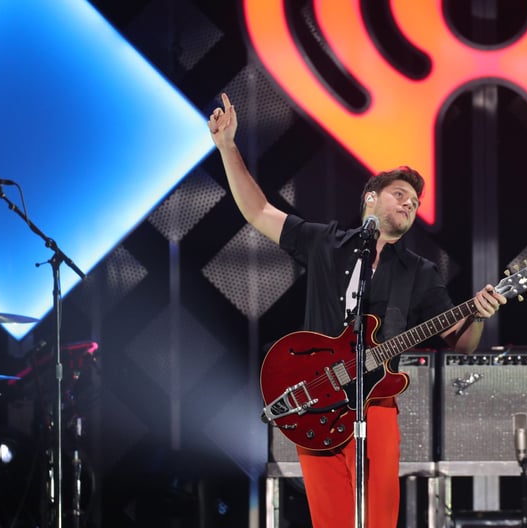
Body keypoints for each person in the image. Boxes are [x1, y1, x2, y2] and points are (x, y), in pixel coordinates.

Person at [209, 93, 507, 528]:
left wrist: (479, 314)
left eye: (415, 202)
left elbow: (459, 343)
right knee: (331, 520)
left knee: (378, 520)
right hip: (314, 400)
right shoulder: (325, 242)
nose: (410, 204)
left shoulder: (419, 273)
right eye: (400, 194)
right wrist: (227, 147)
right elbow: (258, 211)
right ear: (371, 198)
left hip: (376, 402)